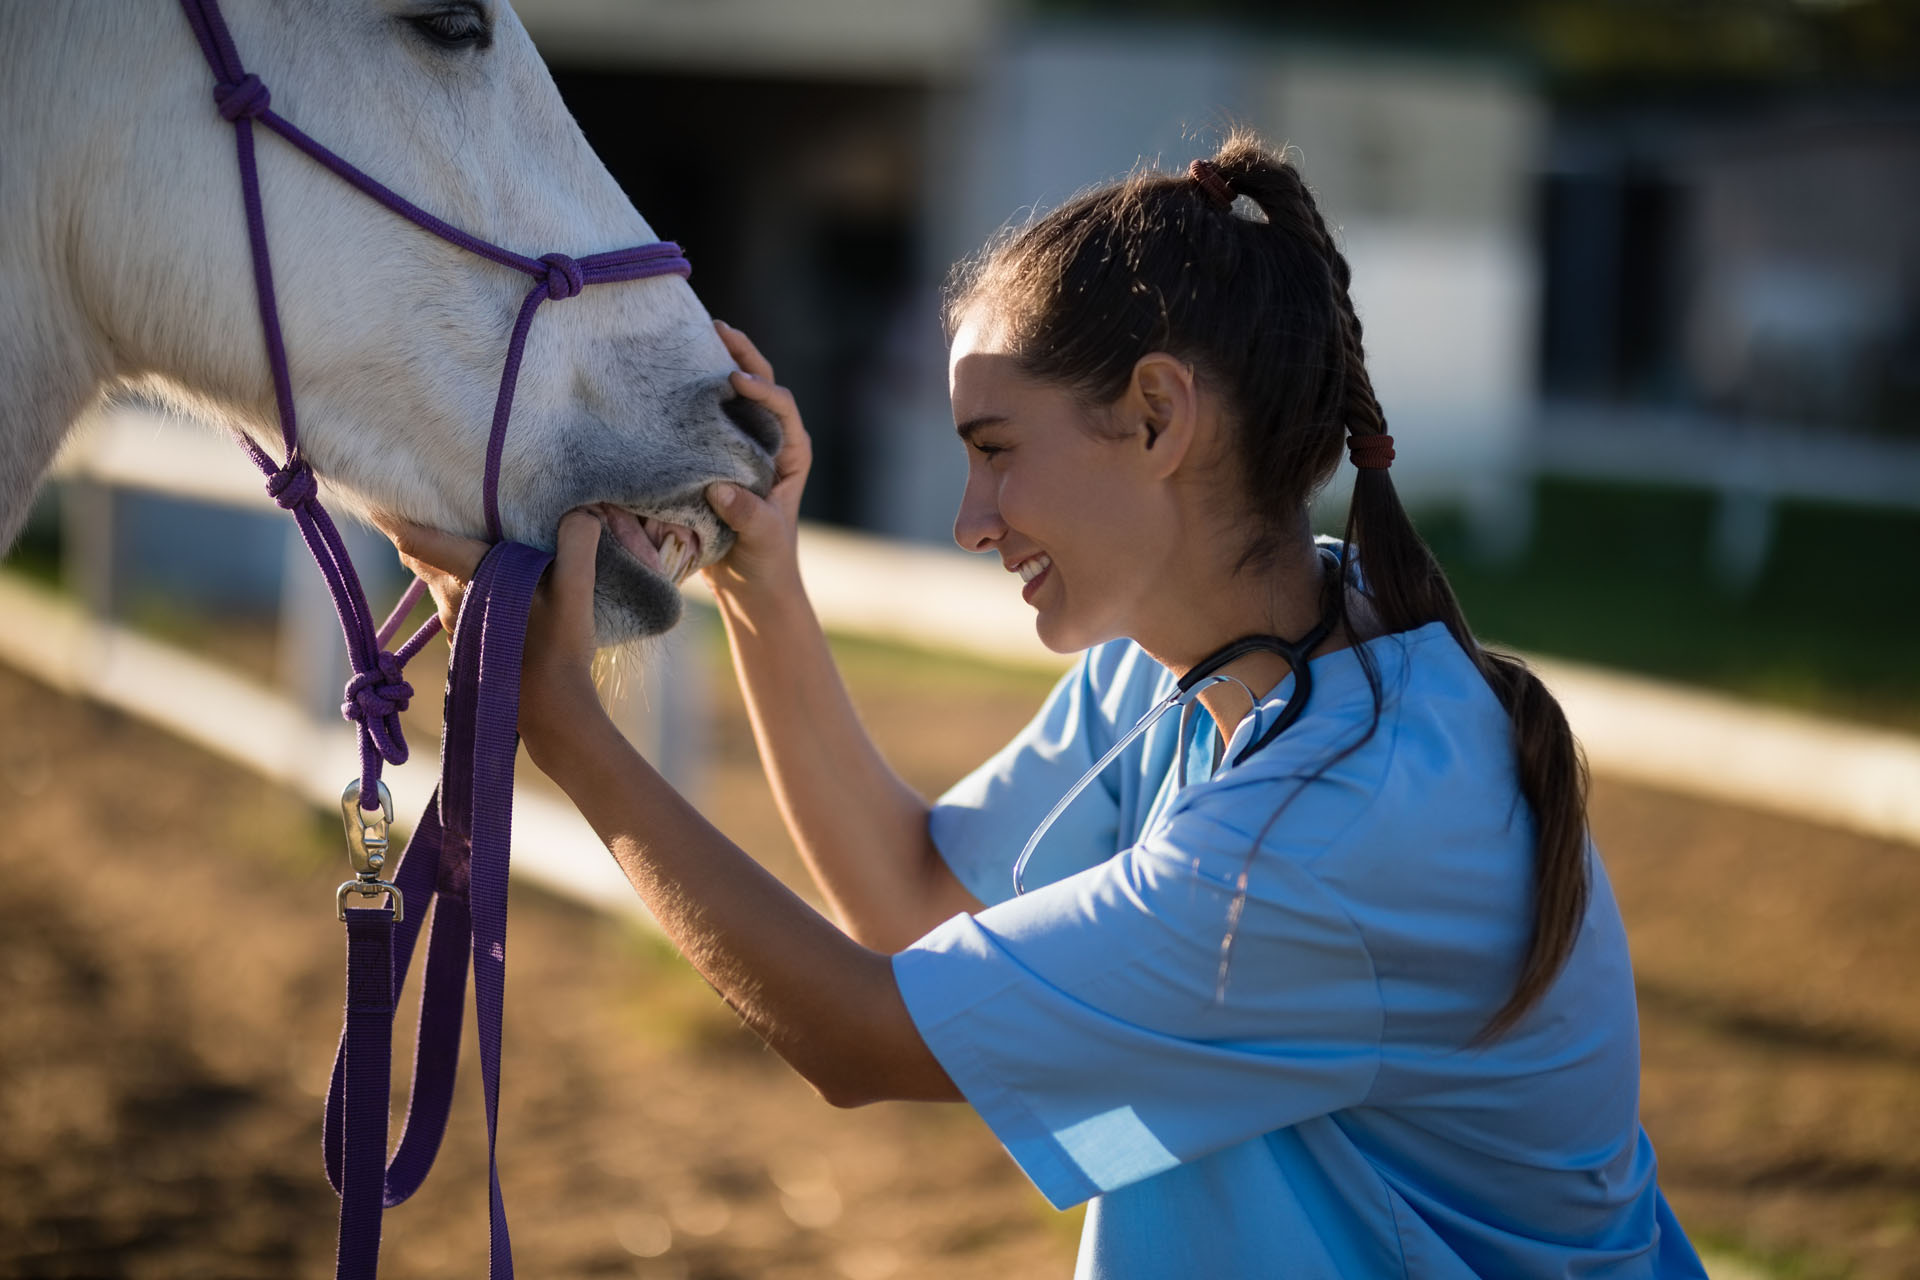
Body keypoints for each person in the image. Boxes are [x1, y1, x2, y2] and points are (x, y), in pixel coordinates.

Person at [382, 133, 1706, 1278]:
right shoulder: (1214, 659)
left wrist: (567, 733)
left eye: (996, 452)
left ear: (1156, 416)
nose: (970, 522)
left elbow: (861, 1034)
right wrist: (760, 585)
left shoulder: (1322, 833)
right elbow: (911, 900)